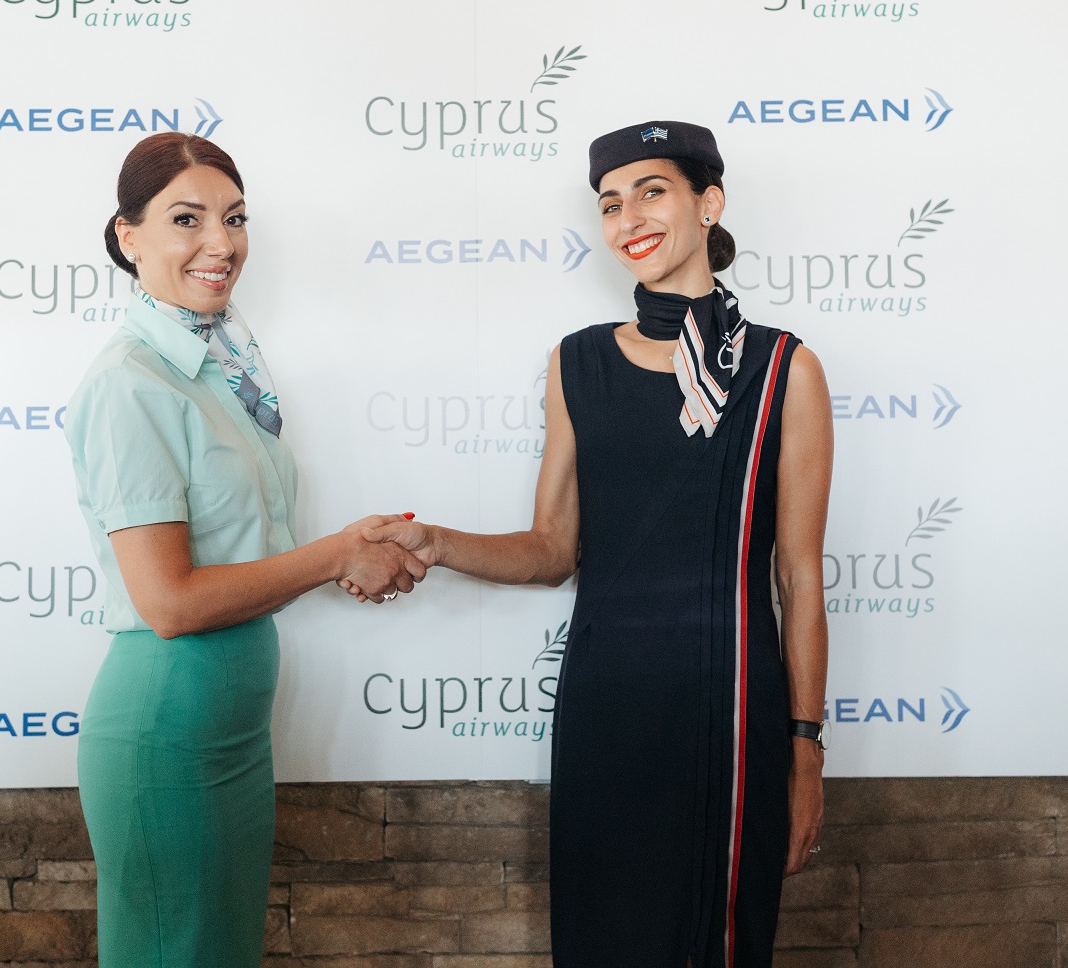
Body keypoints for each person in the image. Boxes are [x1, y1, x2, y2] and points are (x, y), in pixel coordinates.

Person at [354, 121, 832, 968]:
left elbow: (798, 579)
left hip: (731, 713)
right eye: (610, 204)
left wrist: (804, 750)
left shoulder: (784, 370)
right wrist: (436, 542)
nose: (628, 218)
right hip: (605, 708)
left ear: (709, 203)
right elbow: (551, 550)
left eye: (652, 192)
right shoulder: (576, 365)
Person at [63, 131, 423, 968]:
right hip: (168, 729)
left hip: (229, 730)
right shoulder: (130, 383)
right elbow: (170, 602)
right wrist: (336, 554)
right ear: (128, 236)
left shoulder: (221, 365)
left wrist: (356, 552)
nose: (220, 244)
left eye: (234, 218)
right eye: (186, 219)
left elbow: (246, 562)